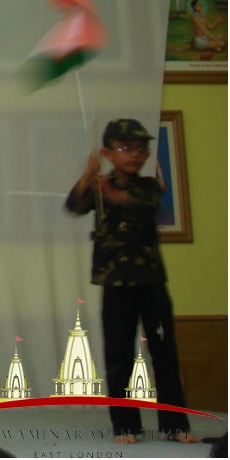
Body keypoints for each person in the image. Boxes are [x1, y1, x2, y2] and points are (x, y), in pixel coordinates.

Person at [65, 118, 198, 445]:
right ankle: (125, 426)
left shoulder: (149, 186)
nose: (135, 155)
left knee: (165, 354)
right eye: (125, 148)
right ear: (109, 152)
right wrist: (87, 175)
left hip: (150, 282)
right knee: (119, 357)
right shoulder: (98, 185)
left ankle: (174, 424)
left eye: (141, 149)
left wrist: (111, 191)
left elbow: (143, 208)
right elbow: (73, 206)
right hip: (116, 285)